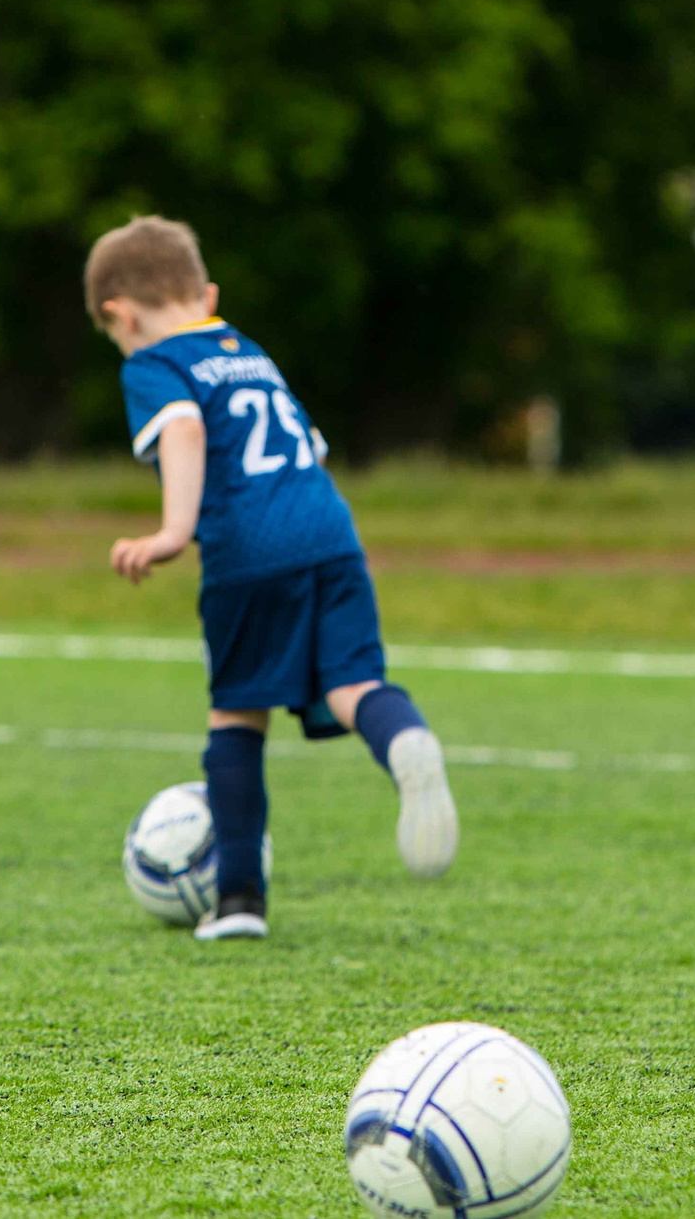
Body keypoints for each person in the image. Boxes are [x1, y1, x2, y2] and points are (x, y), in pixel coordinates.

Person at [86, 215, 457, 940]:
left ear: (118, 315)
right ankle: (404, 737)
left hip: (248, 550)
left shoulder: (154, 362)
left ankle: (240, 904)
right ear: (208, 293)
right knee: (353, 686)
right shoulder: (248, 351)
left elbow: (185, 428)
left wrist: (171, 530)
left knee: (236, 715)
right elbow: (306, 448)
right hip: (331, 531)